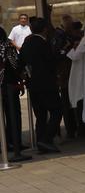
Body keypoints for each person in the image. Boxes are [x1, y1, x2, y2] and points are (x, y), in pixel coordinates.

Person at [19, 17, 61, 154]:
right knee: (56, 110)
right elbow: (51, 62)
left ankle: (41, 141)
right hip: (46, 83)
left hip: (33, 84)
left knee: (40, 114)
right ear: (44, 29)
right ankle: (47, 139)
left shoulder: (27, 43)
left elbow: (21, 62)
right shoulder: (43, 43)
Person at [1, 29, 28, 161]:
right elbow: (15, 65)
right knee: (14, 115)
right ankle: (15, 145)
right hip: (9, 85)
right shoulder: (7, 47)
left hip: (3, 86)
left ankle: (4, 144)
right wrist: (20, 79)